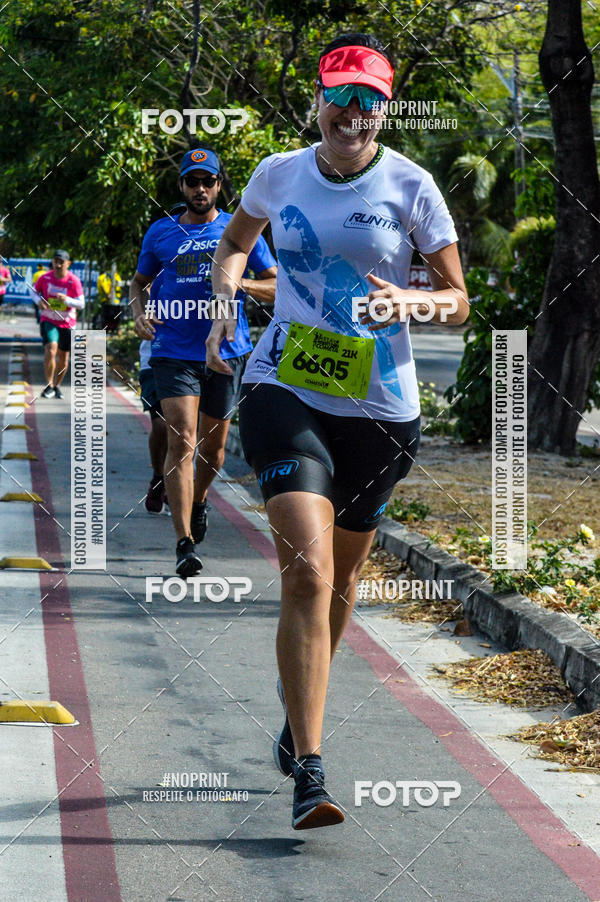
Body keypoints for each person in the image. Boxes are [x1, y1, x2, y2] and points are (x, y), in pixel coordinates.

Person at [206, 33, 469, 830]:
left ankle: (300, 711)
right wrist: (224, 307)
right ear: (318, 100)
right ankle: (312, 773)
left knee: (344, 581)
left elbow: (458, 299)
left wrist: (413, 303)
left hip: (382, 412)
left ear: (386, 109)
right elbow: (233, 246)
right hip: (286, 389)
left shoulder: (412, 185)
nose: (353, 114)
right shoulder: (278, 172)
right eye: (341, 96)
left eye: (370, 101)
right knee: (308, 575)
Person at [130, 146, 277, 577]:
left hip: (227, 353)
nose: (200, 189)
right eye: (192, 182)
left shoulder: (241, 230)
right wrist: (139, 312)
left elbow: (276, 284)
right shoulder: (160, 232)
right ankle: (183, 543)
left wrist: (237, 282)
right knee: (183, 441)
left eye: (207, 181)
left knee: (211, 453)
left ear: (218, 185)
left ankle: (198, 499)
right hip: (174, 351)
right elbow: (139, 283)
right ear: (181, 186)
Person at [31, 250, 84, 398]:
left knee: (63, 357)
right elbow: (33, 292)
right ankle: (49, 385)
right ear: (52, 262)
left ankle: (57, 385)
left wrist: (66, 300)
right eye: (56, 261)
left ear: (68, 264)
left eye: (61, 262)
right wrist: (39, 301)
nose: (58, 264)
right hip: (49, 319)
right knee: (51, 349)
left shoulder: (73, 281)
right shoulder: (45, 278)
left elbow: (81, 304)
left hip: (67, 322)